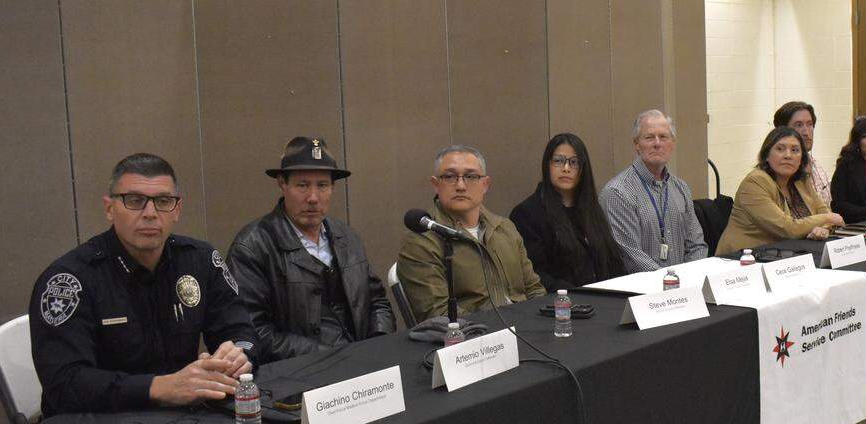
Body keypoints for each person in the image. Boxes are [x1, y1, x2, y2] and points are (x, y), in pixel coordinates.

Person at [29, 153, 257, 424]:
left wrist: (237, 352)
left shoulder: (200, 260)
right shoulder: (70, 279)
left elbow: (243, 330)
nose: (150, 213)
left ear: (177, 209)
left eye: (162, 201)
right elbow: (65, 384)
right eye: (134, 200)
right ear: (109, 208)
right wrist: (159, 388)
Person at [227, 136, 395, 363]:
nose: (313, 198)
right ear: (282, 184)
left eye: (322, 185)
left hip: (360, 365)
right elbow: (254, 332)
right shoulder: (253, 246)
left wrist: (376, 346)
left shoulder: (347, 237)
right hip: (298, 375)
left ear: (333, 188)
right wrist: (331, 357)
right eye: (302, 185)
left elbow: (378, 303)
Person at [397, 145, 545, 323]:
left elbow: (535, 290)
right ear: (436, 185)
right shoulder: (421, 241)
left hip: (527, 330)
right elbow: (439, 314)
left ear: (485, 184)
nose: (460, 185)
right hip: (474, 340)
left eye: (471, 176)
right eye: (450, 177)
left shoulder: (505, 228)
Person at [509, 133, 626, 290]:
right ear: (547, 165)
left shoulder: (591, 209)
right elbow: (536, 275)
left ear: (583, 169)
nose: (566, 168)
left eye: (574, 162)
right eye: (558, 161)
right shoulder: (527, 214)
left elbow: (613, 261)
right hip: (561, 305)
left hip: (604, 300)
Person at [601, 109, 707, 272]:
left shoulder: (681, 189)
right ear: (637, 144)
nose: (657, 143)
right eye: (649, 137)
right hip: (640, 292)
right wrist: (671, 282)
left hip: (684, 290)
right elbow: (631, 256)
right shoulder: (618, 192)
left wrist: (688, 280)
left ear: (672, 143)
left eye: (663, 137)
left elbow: (697, 245)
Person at [715, 127, 844, 255]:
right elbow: (787, 228)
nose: (788, 155)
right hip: (743, 259)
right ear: (766, 156)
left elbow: (823, 211)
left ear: (801, 159)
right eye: (780, 149)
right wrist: (828, 218)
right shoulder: (755, 182)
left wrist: (823, 229)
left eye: (795, 150)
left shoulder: (801, 181)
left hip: (783, 256)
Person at [774, 101, 831, 203]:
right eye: (799, 125)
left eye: (810, 124)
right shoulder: (781, 170)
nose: (806, 132)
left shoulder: (816, 165)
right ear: (782, 131)